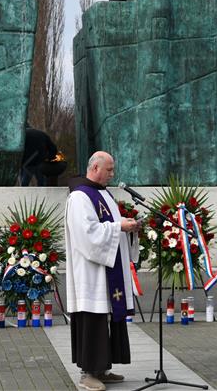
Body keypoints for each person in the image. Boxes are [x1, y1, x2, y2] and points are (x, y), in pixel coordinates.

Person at [65, 151, 141, 391]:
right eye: (109, 170)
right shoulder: (79, 197)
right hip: (90, 272)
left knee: (107, 318)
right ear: (95, 167)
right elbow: (87, 233)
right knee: (93, 319)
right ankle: (87, 373)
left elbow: (109, 225)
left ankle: (102, 369)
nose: (112, 174)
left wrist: (127, 225)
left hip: (108, 271)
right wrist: (119, 226)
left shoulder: (104, 194)